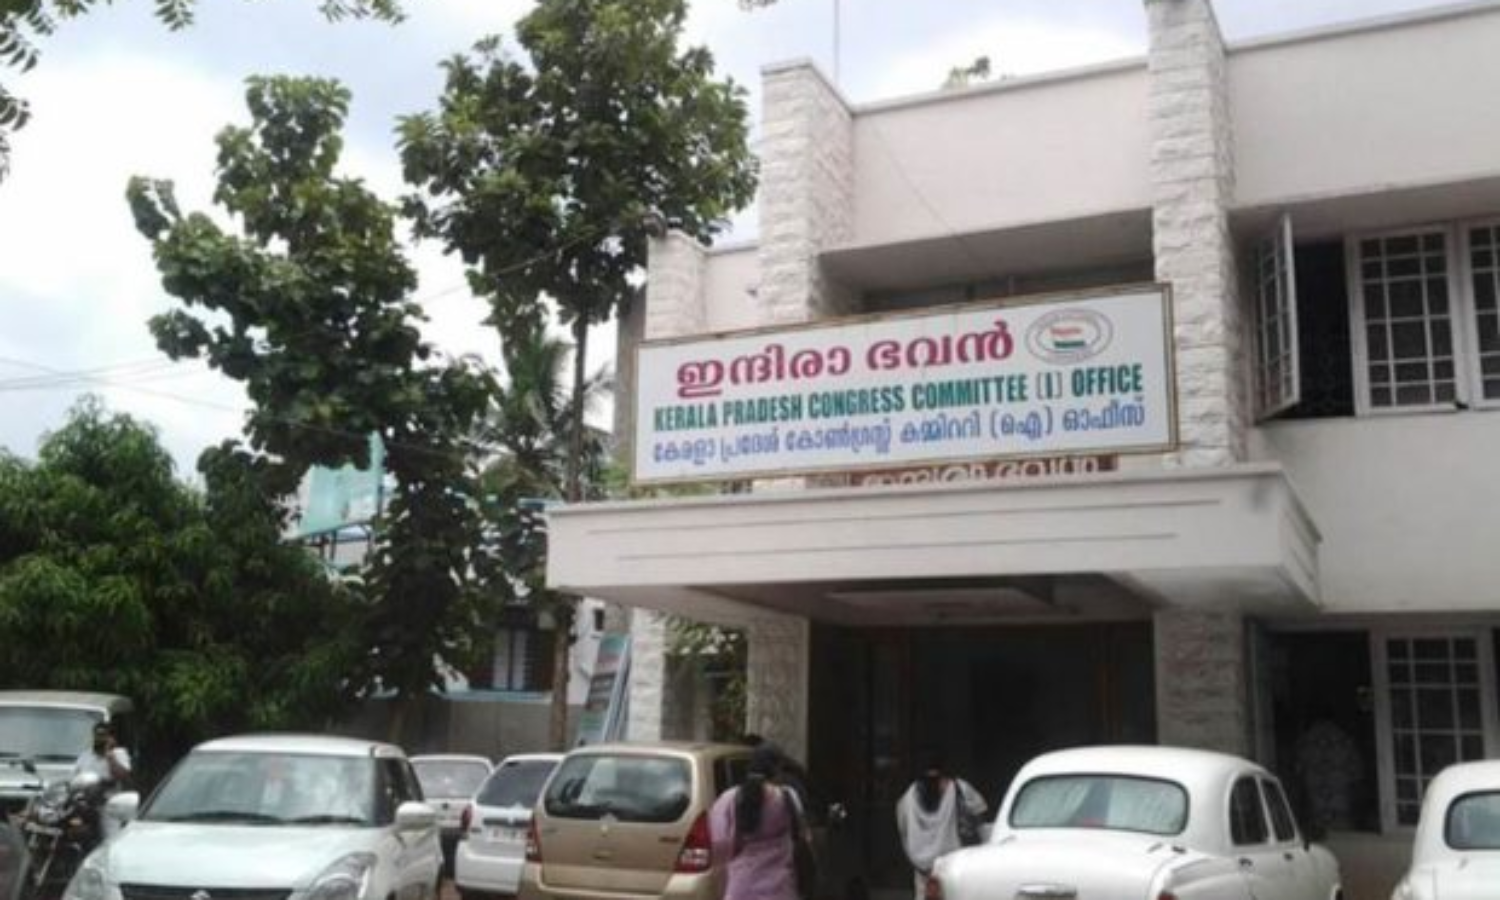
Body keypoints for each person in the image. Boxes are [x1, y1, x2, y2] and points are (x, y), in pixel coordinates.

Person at [710, 744, 809, 900]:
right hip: (780, 889)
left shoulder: (729, 798)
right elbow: (802, 834)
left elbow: (718, 843)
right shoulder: (787, 797)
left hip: (741, 887)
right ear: (777, 769)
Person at [895, 759, 987, 900]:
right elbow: (980, 812)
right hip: (956, 867)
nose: (935, 785)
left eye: (937, 780)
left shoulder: (908, 798)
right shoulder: (959, 788)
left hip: (926, 870)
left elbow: (903, 830)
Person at [73, 722, 130, 788]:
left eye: (102, 735)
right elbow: (76, 776)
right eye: (96, 735)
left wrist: (110, 756)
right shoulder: (85, 755)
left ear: (110, 737)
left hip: (109, 792)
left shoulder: (119, 753)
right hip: (87, 791)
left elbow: (122, 777)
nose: (98, 738)